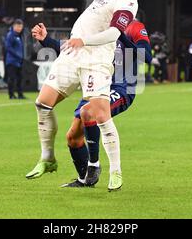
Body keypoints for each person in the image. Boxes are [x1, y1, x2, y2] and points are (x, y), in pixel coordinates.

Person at [25, 0, 148, 192]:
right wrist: (48, 40)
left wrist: (85, 41)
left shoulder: (128, 1)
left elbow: (113, 34)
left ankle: (115, 171)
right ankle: (48, 158)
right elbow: (81, 34)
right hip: (72, 57)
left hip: (96, 62)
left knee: (100, 115)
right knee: (42, 103)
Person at [32, 20, 152, 187]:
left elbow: (146, 56)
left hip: (122, 87)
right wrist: (46, 40)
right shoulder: (97, 23)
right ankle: (84, 180)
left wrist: (120, 35)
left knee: (88, 111)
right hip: (95, 85)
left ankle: (94, 165)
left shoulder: (135, 27)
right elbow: (73, 48)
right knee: (73, 138)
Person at [5, 19, 26, 100]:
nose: (19, 28)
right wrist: (17, 56)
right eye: (18, 26)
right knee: (12, 78)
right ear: (14, 26)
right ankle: (11, 95)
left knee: (20, 78)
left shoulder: (19, 36)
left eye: (21, 26)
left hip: (18, 61)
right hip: (11, 61)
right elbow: (8, 48)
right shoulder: (10, 35)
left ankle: (20, 94)